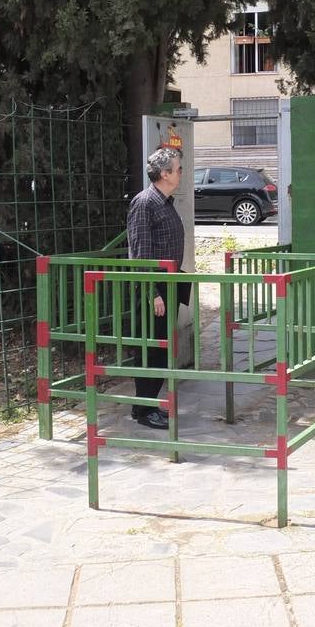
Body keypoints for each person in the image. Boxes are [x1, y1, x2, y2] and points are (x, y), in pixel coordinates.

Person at [125, 147, 190, 428]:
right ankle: (145, 409)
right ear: (164, 173)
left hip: (168, 284)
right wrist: (153, 293)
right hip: (153, 288)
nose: (181, 173)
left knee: (162, 349)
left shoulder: (164, 201)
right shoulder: (145, 203)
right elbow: (140, 252)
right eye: (178, 169)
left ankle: (146, 405)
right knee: (151, 349)